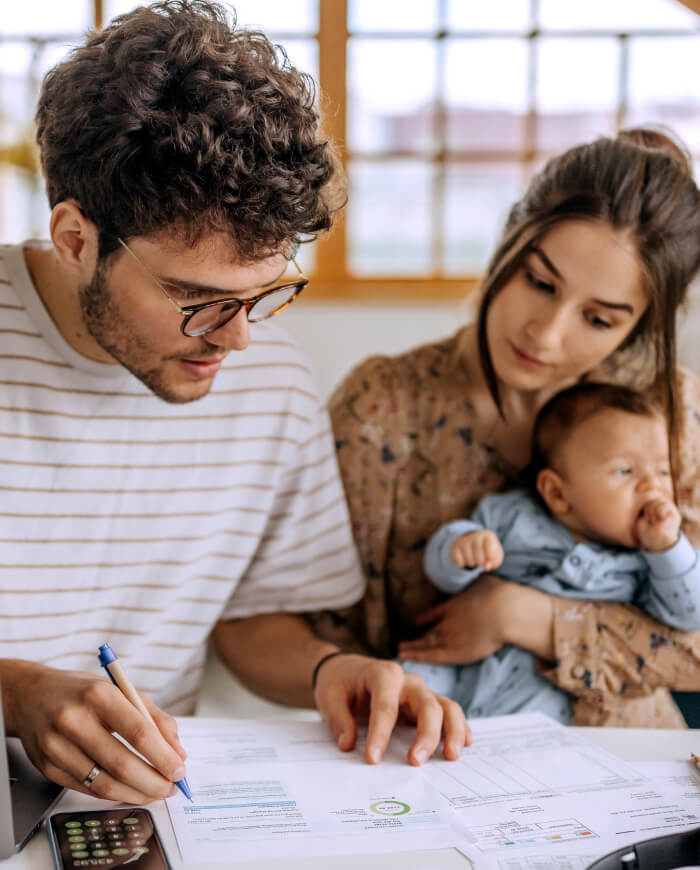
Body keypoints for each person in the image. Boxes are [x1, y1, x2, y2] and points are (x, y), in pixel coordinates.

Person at [0, 0, 470, 808]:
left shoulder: (272, 383)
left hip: (138, 812)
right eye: (196, 297)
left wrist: (331, 671)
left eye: (265, 294)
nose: (238, 340)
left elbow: (252, 620)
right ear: (76, 239)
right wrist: (14, 692)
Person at [309, 126, 700, 729]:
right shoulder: (381, 409)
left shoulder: (671, 411)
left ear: (642, 324)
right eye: (539, 283)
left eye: (598, 318)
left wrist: (522, 616)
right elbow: (313, 633)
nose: (545, 333)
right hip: (436, 754)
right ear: (508, 239)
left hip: (634, 766)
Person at [402, 382, 700, 722]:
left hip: (542, 682)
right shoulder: (514, 515)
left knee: (531, 727)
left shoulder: (651, 560)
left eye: (664, 471)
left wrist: (667, 549)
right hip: (462, 662)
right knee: (408, 683)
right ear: (557, 493)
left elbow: (688, 615)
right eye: (625, 471)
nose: (653, 486)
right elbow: (443, 574)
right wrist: (461, 548)